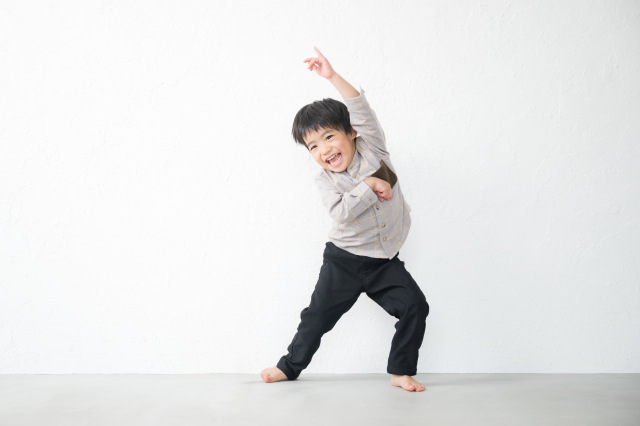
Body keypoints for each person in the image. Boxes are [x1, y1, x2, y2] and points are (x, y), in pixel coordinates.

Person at [261, 47, 429, 392]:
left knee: (415, 306)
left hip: (384, 261)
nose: (323, 150)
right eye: (312, 146)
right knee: (317, 316)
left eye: (328, 137)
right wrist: (369, 185)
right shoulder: (325, 180)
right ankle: (289, 367)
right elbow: (341, 211)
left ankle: (400, 371)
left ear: (351, 132)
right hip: (344, 261)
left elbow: (359, 107)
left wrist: (332, 76)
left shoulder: (374, 149)